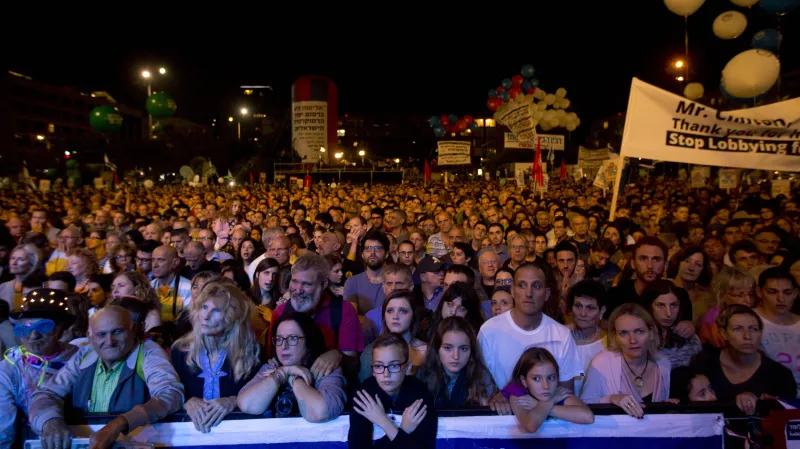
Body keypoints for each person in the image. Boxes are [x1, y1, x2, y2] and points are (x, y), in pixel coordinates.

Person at [29, 306, 184, 449]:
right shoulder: (85, 354)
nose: (109, 342)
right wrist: (50, 421)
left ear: (132, 330)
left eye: (117, 332)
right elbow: (46, 393)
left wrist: (120, 424)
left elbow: (170, 394)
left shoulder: (148, 351)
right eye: (101, 335)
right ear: (89, 337)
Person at [479, 262, 582, 415]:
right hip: (501, 420)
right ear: (512, 291)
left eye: (536, 286)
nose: (528, 293)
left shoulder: (562, 335)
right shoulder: (489, 331)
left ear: (546, 294)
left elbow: (566, 396)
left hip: (549, 423)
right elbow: (480, 389)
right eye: (521, 285)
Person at [171, 281, 260, 433]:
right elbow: (166, 395)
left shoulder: (250, 353)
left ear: (233, 316)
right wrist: (185, 402)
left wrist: (233, 401)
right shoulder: (179, 351)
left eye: (217, 310)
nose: (205, 316)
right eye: (204, 307)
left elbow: (259, 401)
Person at [0, 289, 79, 449]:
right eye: (26, 328)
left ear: (59, 328)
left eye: (43, 327)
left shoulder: (80, 359)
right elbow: (3, 428)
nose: (33, 335)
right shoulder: (9, 369)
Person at [237, 313, 347, 422]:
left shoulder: (325, 367)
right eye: (279, 339)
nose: (284, 346)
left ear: (309, 342)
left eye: (293, 338)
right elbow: (246, 405)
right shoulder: (272, 367)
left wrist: (292, 378)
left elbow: (320, 413)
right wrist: (282, 373)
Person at [270, 253, 363, 381]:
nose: (298, 290)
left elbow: (353, 365)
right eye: (295, 281)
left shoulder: (343, 311)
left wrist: (337, 355)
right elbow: (271, 361)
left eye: (306, 284)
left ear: (323, 285)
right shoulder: (280, 313)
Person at [694, 304, 797, 415]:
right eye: (738, 329)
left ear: (761, 334)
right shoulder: (704, 363)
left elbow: (787, 419)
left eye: (753, 329)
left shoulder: (780, 375)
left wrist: (767, 404)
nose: (747, 336)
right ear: (723, 334)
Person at [581, 303, 672, 419]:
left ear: (651, 333)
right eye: (623, 333)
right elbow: (584, 405)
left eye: (639, 331)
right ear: (615, 337)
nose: (632, 340)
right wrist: (612, 399)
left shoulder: (663, 364)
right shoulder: (602, 362)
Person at [348, 333, 437, 449]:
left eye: (394, 366)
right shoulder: (363, 397)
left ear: (407, 367)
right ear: (373, 370)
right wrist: (404, 430)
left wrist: (383, 421)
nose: (386, 374)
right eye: (379, 366)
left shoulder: (420, 395)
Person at [503, 347, 594, 433]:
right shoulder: (517, 392)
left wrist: (540, 405)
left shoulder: (558, 392)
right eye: (537, 379)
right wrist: (549, 402)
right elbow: (531, 426)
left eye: (551, 378)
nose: (546, 386)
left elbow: (588, 417)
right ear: (524, 381)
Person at [417, 316, 496, 409]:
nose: (456, 356)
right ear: (437, 348)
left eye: (463, 349)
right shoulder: (422, 376)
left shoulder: (481, 377)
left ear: (471, 350)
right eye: (448, 348)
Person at [359, 290, 427, 382]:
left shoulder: (428, 351)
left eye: (403, 311)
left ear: (413, 316)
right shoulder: (371, 351)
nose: (395, 316)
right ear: (384, 316)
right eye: (390, 311)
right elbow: (364, 388)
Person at [753, 268, 800, 394]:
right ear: (759, 291)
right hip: (770, 395)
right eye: (772, 292)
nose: (781, 299)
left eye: (787, 292)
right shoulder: (748, 320)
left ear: (796, 293)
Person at [642, 280, 702, 369]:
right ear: (650, 306)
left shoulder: (690, 339)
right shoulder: (638, 338)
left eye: (673, 305)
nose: (669, 313)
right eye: (661, 305)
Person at [567, 279, 608, 396]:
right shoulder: (560, 336)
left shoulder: (610, 342)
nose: (583, 313)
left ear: (601, 311)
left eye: (590, 308)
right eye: (578, 306)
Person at [698, 267, 755, 348]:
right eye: (740, 295)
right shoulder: (712, 320)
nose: (748, 300)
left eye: (750, 294)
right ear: (722, 295)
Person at [344, 230, 390, 315]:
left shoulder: (395, 281)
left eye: (378, 248)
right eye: (368, 249)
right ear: (362, 254)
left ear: (386, 254)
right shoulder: (352, 282)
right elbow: (351, 316)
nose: (372, 253)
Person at [0, 244, 42, 311]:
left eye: (21, 259)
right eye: (12, 258)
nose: (14, 263)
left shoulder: (39, 288)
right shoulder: (2, 287)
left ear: (32, 263)